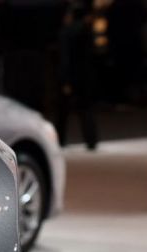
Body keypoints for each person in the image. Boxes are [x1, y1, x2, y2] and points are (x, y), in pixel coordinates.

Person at [57, 2, 99, 149]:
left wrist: (65, 79)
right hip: (85, 76)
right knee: (86, 109)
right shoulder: (87, 32)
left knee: (63, 111)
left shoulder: (66, 32)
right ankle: (91, 140)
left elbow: (65, 58)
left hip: (71, 76)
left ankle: (60, 140)